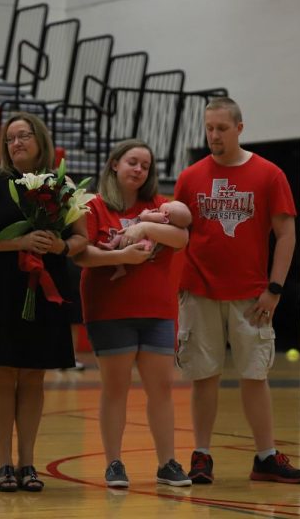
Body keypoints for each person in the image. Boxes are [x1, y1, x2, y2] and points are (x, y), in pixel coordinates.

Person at [173, 97, 300, 484]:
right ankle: (201, 455)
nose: (213, 135)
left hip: (252, 296)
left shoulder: (268, 174)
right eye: (209, 128)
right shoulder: (189, 177)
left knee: (255, 375)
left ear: (240, 128)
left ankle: (265, 456)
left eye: (221, 128)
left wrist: (275, 289)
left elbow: (286, 235)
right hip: (198, 291)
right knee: (204, 376)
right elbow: (176, 232)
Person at [0, 112, 88, 493]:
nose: (16, 143)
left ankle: (28, 462)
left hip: (44, 286)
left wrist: (60, 245)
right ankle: (3, 463)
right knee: (1, 371)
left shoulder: (62, 184)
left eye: (24, 136)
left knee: (34, 373)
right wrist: (19, 242)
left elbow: (81, 238)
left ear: (40, 140)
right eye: (10, 138)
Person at [74, 139, 192, 489]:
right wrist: (121, 258)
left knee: (162, 389)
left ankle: (167, 463)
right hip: (110, 310)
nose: (139, 170)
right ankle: (114, 463)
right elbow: (83, 256)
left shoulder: (158, 206)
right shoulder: (93, 206)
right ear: (114, 164)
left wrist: (143, 228)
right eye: (132, 162)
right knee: (116, 388)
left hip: (157, 310)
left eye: (145, 166)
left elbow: (182, 238)